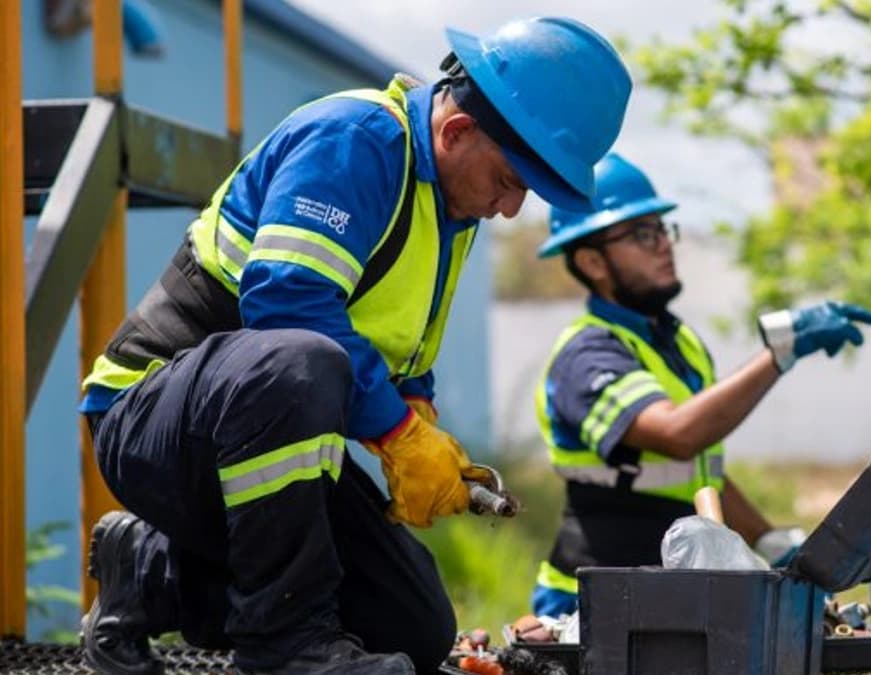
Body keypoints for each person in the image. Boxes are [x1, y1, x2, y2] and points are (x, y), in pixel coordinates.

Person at [77, 16, 631, 675]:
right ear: (456, 132)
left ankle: (147, 574)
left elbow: (402, 348)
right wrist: (395, 433)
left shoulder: (451, 202)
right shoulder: (354, 141)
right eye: (509, 183)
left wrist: (422, 428)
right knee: (302, 357)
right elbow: (287, 302)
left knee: (414, 624)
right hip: (147, 418)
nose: (508, 209)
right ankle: (282, 646)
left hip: (247, 417)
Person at [528, 153, 871, 617]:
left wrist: (766, 539)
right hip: (589, 607)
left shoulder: (678, 343)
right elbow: (678, 436)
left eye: (662, 229)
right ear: (593, 261)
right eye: (641, 234)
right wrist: (782, 352)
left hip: (665, 596)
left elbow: (697, 472)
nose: (664, 245)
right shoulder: (586, 356)